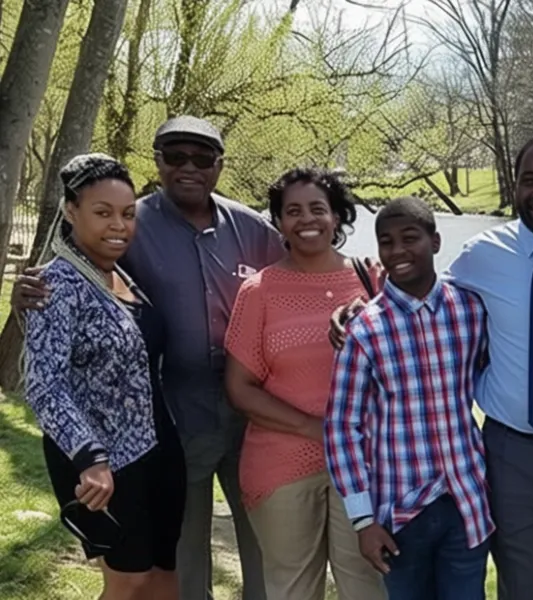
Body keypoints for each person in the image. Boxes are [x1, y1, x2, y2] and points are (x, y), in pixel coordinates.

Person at [328, 135, 533, 600]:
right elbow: (420, 290)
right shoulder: (481, 254)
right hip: (510, 457)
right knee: (521, 587)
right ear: (514, 186)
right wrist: (364, 306)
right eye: (529, 180)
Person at [12, 116, 278, 600]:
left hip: (241, 417)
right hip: (160, 427)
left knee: (250, 547)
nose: (189, 167)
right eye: (175, 155)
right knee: (165, 561)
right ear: (157, 161)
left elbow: (304, 269)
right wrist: (27, 293)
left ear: (220, 165)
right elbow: (47, 372)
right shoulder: (122, 233)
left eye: (203, 158)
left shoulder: (252, 229)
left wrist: (357, 276)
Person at [23, 153, 187, 599]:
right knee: (128, 581)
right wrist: (90, 457)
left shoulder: (123, 276)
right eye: (103, 213)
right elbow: (43, 383)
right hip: (104, 463)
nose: (118, 225)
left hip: (159, 450)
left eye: (128, 214)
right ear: (71, 211)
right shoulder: (55, 286)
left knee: (164, 578)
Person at [223, 168, 385, 600]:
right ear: (277, 221)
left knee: (369, 585)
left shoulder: (372, 280)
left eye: (318, 208)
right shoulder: (258, 291)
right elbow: (240, 388)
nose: (306, 219)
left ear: (337, 216)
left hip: (366, 465)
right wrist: (316, 429)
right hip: (282, 467)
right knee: (293, 590)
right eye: (292, 211)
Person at [325, 196, 493, 599]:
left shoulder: (470, 310)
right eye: (386, 242)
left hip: (465, 501)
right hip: (399, 514)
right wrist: (363, 520)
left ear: (435, 242)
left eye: (409, 238)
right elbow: (342, 428)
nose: (398, 250)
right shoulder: (365, 330)